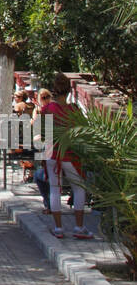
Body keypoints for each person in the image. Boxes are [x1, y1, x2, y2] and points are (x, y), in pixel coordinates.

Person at [39, 74, 93, 239]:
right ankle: (79, 227)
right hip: (71, 154)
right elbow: (83, 132)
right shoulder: (75, 110)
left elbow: (43, 134)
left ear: (54, 89)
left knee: (55, 188)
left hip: (53, 154)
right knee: (78, 188)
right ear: (69, 90)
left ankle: (58, 228)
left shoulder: (47, 110)